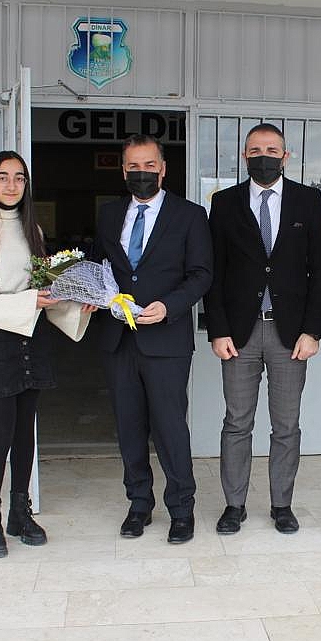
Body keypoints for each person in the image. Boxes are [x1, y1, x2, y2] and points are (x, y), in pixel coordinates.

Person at [0, 151, 90, 558]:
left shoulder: (33, 229)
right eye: (3, 177)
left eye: (19, 177)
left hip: (32, 337)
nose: (12, 185)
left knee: (24, 431)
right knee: (1, 431)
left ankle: (19, 512)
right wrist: (29, 301)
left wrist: (76, 301)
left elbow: (41, 290)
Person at [203, 123, 321, 535]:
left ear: (286, 156)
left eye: (272, 150)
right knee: (237, 422)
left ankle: (281, 505)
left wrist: (313, 331)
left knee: (286, 425)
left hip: (289, 335)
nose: (264, 157)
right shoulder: (224, 203)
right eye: (256, 150)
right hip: (238, 335)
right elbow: (214, 272)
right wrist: (217, 330)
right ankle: (234, 505)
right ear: (244, 155)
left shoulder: (308, 201)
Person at [93, 135, 212, 544]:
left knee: (170, 428)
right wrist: (96, 295)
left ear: (162, 169)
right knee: (129, 428)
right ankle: (139, 504)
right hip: (118, 339)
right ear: (123, 170)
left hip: (166, 339)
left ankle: (181, 509)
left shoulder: (190, 215)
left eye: (148, 165)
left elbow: (202, 273)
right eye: (132, 166)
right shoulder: (109, 214)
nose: (140, 173)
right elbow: (99, 265)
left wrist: (170, 306)